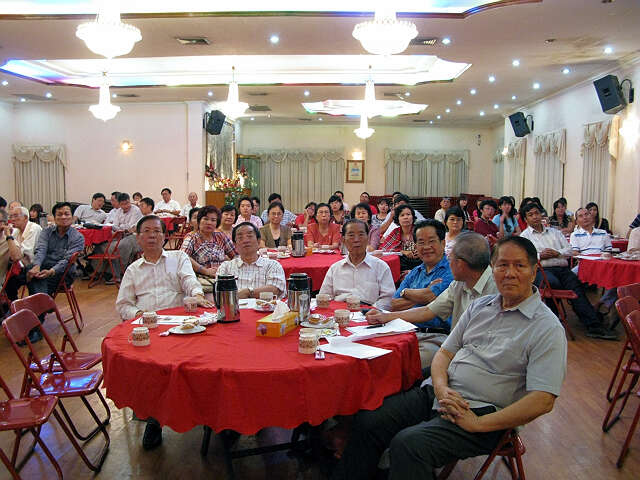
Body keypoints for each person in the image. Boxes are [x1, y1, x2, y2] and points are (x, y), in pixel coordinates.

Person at [332, 236, 567, 480]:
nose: (509, 273)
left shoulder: (546, 327)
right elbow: (445, 353)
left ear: (533, 271)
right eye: (502, 265)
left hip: (484, 414)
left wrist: (478, 423)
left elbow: (543, 400)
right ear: (493, 268)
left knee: (409, 445)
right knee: (370, 420)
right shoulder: (481, 306)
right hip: (442, 394)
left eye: (519, 266)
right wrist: (441, 388)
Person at [115, 214, 213, 450]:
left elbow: (190, 281)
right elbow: (123, 305)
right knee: (148, 370)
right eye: (147, 232)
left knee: (196, 364)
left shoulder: (178, 258)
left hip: (180, 324)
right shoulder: (133, 270)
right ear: (138, 238)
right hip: (148, 326)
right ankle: (153, 418)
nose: (152, 236)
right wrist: (140, 315)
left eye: (157, 231)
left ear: (164, 236)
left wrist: (196, 295)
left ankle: (204, 412)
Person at [367, 232, 497, 367]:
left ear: (460, 264)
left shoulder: (497, 290)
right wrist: (386, 317)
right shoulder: (458, 283)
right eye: (421, 242)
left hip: (476, 360)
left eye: (450, 258)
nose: (426, 247)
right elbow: (428, 310)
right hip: (452, 350)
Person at [519, 202, 615, 340]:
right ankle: (553, 321)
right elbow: (523, 258)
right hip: (541, 270)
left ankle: (594, 326)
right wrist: (540, 255)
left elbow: (570, 250)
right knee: (552, 283)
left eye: (537, 213)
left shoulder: (555, 232)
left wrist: (557, 253)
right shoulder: (524, 237)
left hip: (562, 269)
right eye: (530, 215)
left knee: (576, 287)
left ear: (541, 215)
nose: (535, 217)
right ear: (526, 219)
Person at [26, 202, 85, 340]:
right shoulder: (46, 232)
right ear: (54, 217)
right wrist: (37, 266)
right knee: (27, 272)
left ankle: (35, 327)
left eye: (66, 214)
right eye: (59, 214)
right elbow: (41, 250)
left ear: (72, 217)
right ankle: (45, 303)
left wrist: (51, 271)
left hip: (63, 274)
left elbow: (67, 261)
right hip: (43, 269)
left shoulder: (77, 237)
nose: (63, 217)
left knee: (35, 280)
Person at [319, 219, 395, 310]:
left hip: (370, 313)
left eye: (361, 235)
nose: (356, 240)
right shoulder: (335, 268)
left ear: (368, 238)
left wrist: (371, 311)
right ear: (343, 240)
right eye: (351, 235)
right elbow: (324, 297)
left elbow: (388, 299)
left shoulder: (381, 267)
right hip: (340, 312)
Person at [390, 219, 453, 317]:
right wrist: (423, 293)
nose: (426, 247)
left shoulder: (452, 270)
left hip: (435, 326)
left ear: (443, 243)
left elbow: (429, 296)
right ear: (415, 246)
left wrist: (406, 292)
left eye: (431, 241)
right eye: (421, 242)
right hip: (405, 324)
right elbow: (394, 305)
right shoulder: (415, 272)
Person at [217, 222, 286, 299]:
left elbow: (275, 289)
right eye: (240, 238)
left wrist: (248, 292)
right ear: (235, 245)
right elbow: (220, 294)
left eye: (250, 236)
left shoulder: (272, 265)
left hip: (265, 307)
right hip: (235, 307)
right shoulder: (226, 267)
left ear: (258, 241)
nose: (245, 240)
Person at [570, 207, 616, 310]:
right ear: (577, 221)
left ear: (592, 216)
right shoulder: (575, 235)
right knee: (569, 277)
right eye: (581, 216)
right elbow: (575, 252)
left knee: (619, 278)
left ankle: (602, 303)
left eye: (587, 214)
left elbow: (609, 251)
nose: (585, 217)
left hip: (603, 265)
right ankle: (582, 305)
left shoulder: (603, 233)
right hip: (584, 265)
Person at [181, 205, 236, 278]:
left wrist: (229, 268)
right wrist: (205, 271)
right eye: (205, 219)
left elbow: (236, 255)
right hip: (200, 279)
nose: (209, 223)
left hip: (222, 278)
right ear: (199, 221)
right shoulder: (192, 238)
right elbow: (182, 256)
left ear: (217, 223)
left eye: (213, 220)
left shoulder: (221, 236)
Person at [380, 204, 422, 273]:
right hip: (402, 265)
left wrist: (420, 251)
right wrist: (402, 252)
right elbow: (384, 251)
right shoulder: (395, 232)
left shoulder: (420, 231)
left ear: (413, 217)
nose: (406, 217)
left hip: (420, 262)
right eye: (402, 215)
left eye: (408, 214)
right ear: (398, 219)